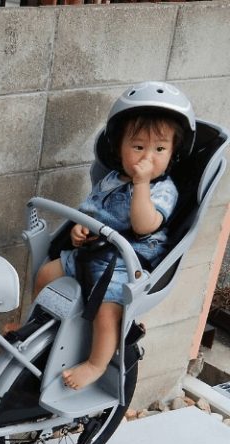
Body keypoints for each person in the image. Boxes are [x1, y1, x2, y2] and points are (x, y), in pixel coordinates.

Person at [34, 81, 196, 390]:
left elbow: (144, 225)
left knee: (108, 313)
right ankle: (36, 325)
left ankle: (95, 365)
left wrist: (142, 184)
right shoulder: (110, 179)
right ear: (118, 148)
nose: (147, 157)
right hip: (93, 252)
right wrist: (81, 230)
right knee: (46, 274)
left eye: (159, 149)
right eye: (138, 147)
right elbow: (91, 212)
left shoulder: (163, 189)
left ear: (173, 153)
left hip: (125, 262)